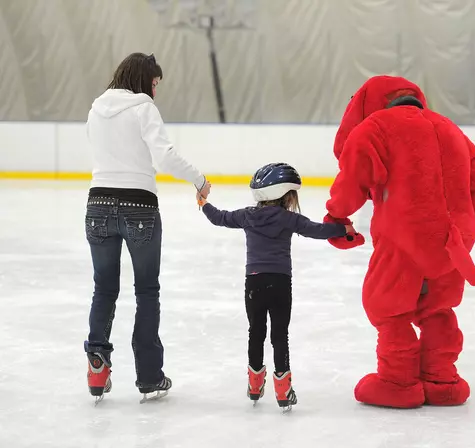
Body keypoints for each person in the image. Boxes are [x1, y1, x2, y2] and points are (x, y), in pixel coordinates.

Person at [323, 75, 475, 408]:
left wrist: (337, 217)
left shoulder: (377, 126)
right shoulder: (453, 131)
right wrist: (462, 232)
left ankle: (398, 382)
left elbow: (354, 174)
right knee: (438, 308)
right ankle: (443, 380)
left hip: (402, 235)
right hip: (452, 240)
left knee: (389, 307)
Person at [84, 52, 211, 403]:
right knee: (146, 291)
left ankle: (97, 361)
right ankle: (151, 376)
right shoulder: (143, 107)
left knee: (104, 289)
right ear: (144, 80)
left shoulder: (96, 108)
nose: (155, 90)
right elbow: (164, 156)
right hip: (139, 206)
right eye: (154, 83)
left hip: (97, 206)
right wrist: (198, 179)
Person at [196, 163, 355, 410]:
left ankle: (255, 385)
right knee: (279, 334)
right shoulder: (288, 218)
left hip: (254, 282)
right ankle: (283, 390)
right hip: (280, 283)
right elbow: (317, 230)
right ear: (285, 195)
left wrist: (203, 203)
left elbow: (220, 218)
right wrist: (341, 229)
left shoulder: (247, 215)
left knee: (255, 332)